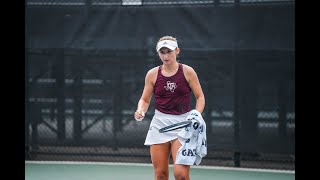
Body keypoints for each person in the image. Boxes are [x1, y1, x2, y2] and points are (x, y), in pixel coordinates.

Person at [134, 35, 205, 180]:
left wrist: (196, 114)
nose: (166, 56)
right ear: (158, 53)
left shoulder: (188, 72)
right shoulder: (152, 74)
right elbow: (145, 99)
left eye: (169, 51)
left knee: (181, 175)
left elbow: (200, 97)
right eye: (162, 52)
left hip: (183, 125)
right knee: (160, 175)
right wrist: (141, 109)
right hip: (159, 125)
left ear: (177, 51)